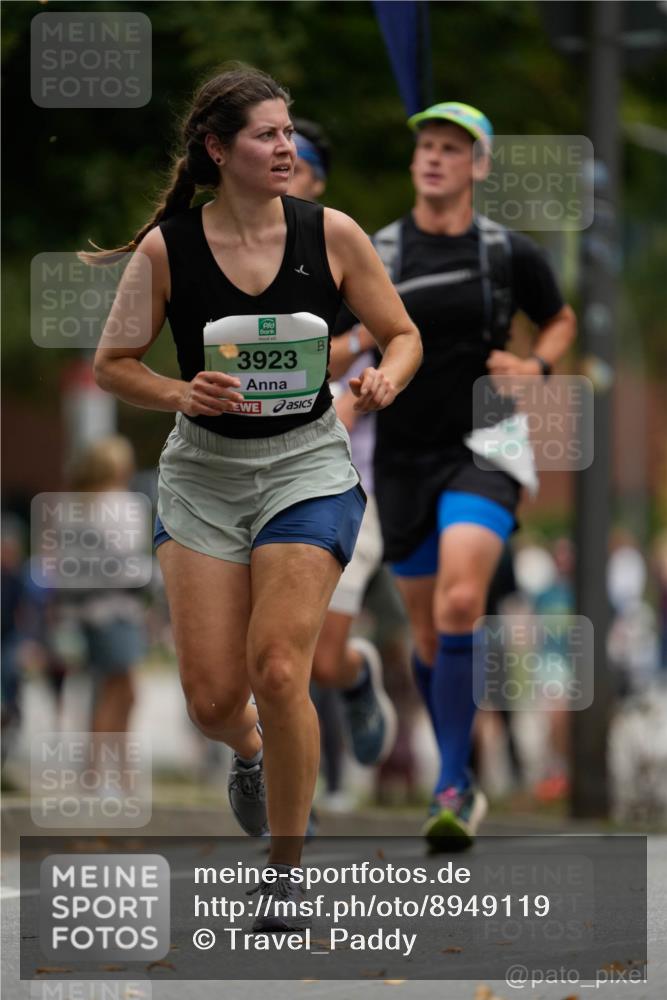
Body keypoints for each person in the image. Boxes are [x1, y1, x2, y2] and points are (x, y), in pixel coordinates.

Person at [86, 65, 421, 927]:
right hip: (202, 476)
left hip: (308, 467)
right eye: (267, 134)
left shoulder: (332, 234)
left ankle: (285, 871)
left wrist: (386, 375)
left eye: (288, 133)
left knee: (278, 664)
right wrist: (177, 392)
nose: (286, 147)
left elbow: (401, 334)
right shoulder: (171, 248)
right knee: (210, 698)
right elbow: (111, 365)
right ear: (217, 148)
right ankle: (249, 747)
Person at [367, 102, 576, 848]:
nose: (433, 157)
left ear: (478, 165)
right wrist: (343, 372)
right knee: (427, 633)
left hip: (485, 443)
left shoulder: (505, 253)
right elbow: (344, 338)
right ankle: (461, 770)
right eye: (425, 145)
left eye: (451, 148)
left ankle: (449, 782)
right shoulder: (377, 252)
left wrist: (533, 364)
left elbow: (557, 318)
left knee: (461, 600)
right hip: (398, 458)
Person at [289, 119, 397, 783]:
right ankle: (293, 805)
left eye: (294, 157)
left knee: (322, 662)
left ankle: (356, 677)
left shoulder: (345, 256)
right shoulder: (228, 257)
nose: (279, 164)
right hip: (251, 478)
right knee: (276, 661)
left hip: (342, 486)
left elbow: (381, 350)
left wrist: (355, 345)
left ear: (317, 177)